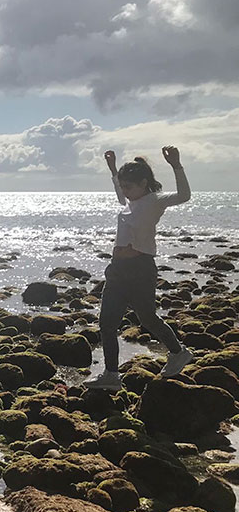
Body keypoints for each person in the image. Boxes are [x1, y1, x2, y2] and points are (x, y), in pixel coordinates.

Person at [84, 146, 192, 390]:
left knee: (147, 319)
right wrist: (113, 170)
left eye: (128, 187)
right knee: (107, 324)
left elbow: (184, 196)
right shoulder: (129, 202)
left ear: (144, 183)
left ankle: (178, 352)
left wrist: (176, 165)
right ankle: (112, 375)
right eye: (122, 186)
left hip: (140, 269)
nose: (124, 191)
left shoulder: (154, 201)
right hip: (118, 270)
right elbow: (119, 193)